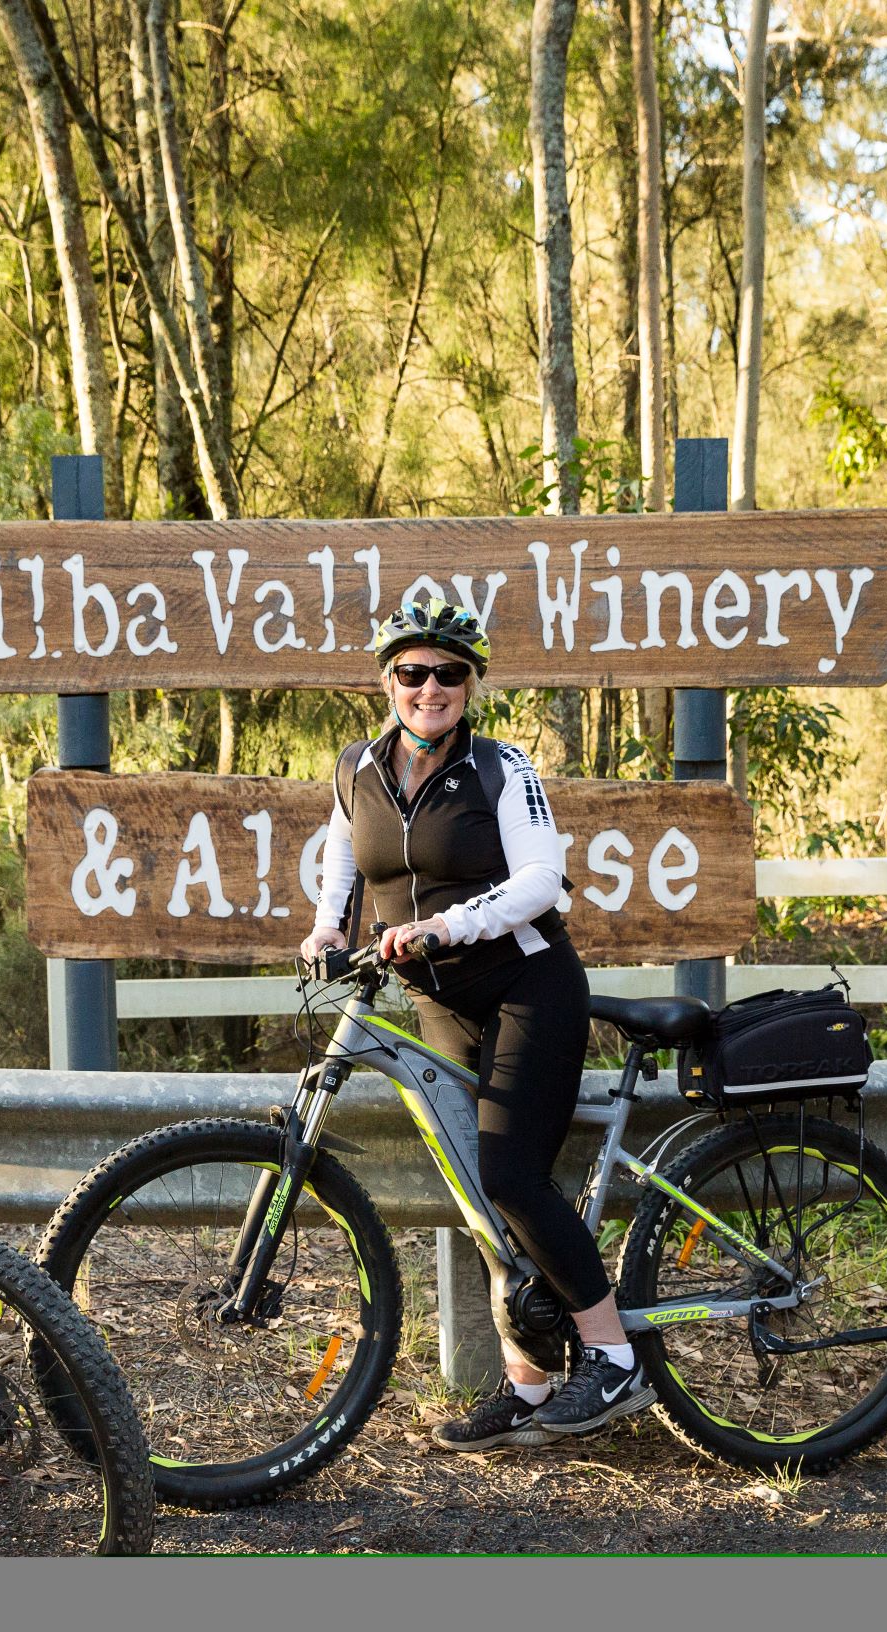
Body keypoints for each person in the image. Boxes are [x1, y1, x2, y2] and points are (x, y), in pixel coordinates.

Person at [298, 597, 652, 1451]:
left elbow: (540, 881)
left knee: (510, 1175)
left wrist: (446, 926)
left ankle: (613, 1357)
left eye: (448, 673)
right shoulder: (357, 768)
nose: (429, 688)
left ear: (471, 684)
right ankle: (528, 1387)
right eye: (412, 672)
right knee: (476, 1195)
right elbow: (344, 853)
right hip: (436, 999)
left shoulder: (501, 767)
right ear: (386, 681)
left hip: (527, 985)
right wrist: (326, 927)